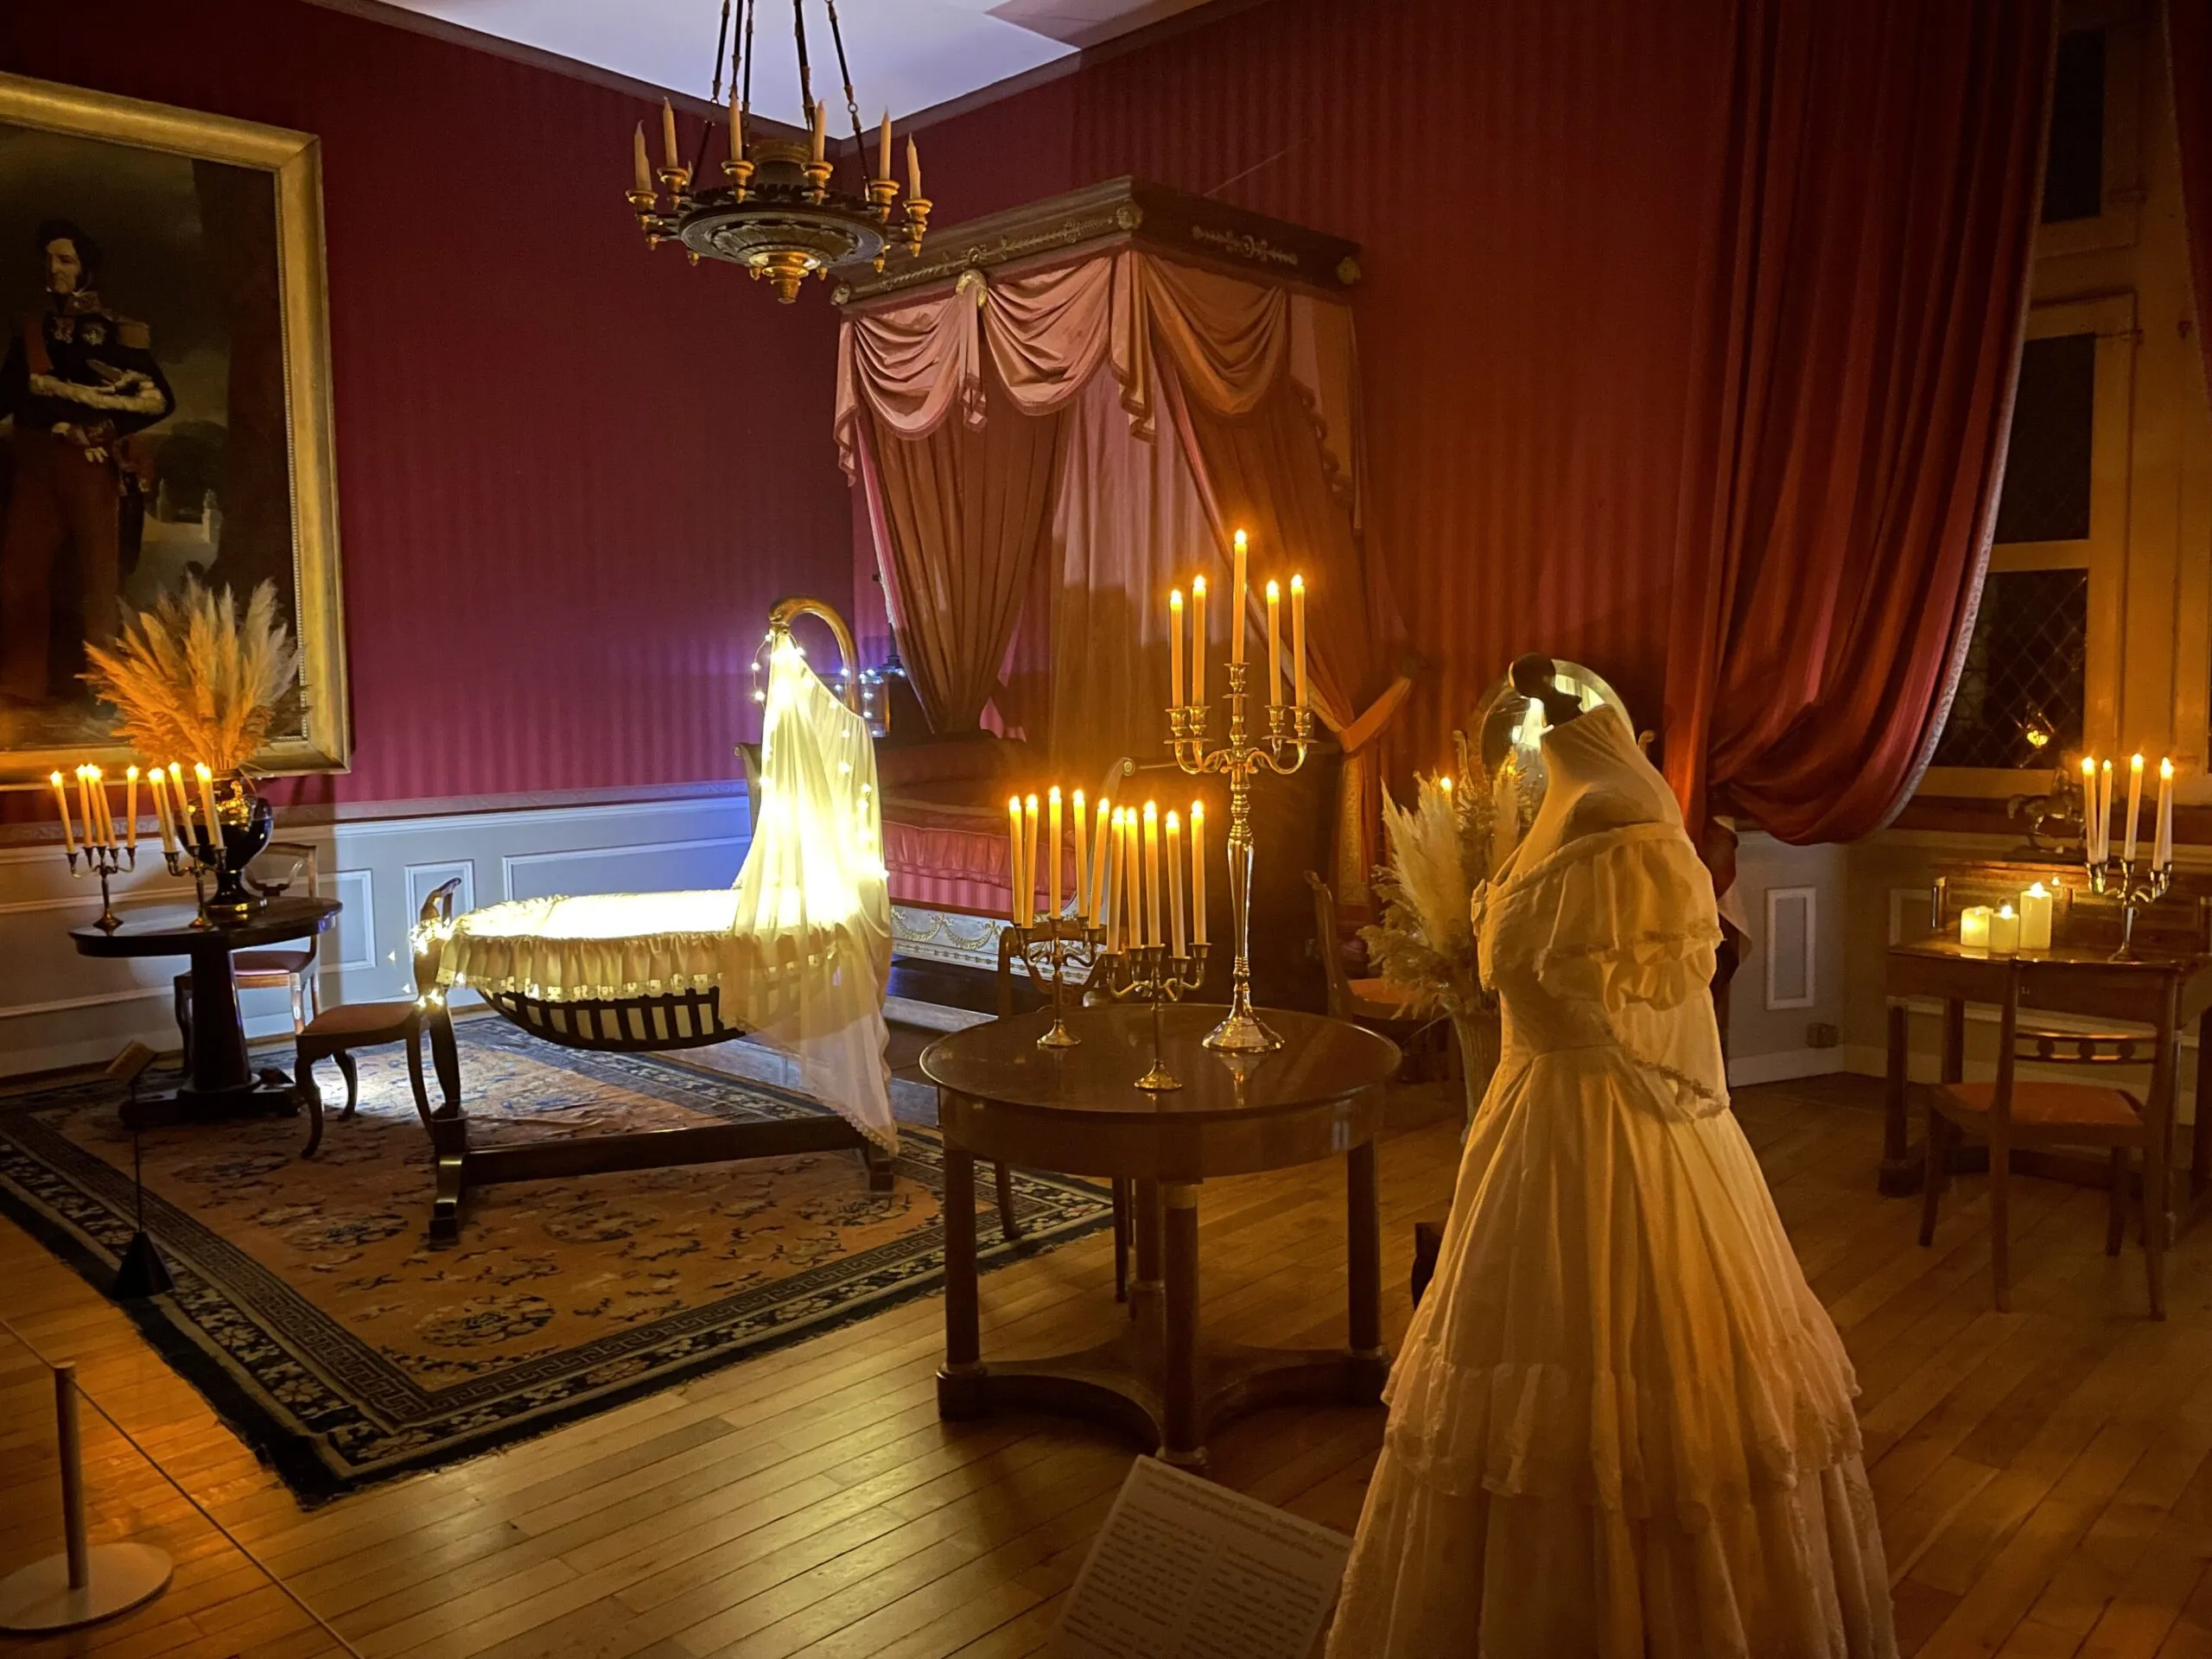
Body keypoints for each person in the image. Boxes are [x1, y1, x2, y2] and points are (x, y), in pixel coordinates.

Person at [1327, 698, 1896, 1657]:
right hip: (1526, 1127)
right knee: (1514, 1394)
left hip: (1614, 1130)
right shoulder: (1555, 806)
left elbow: (1661, 1024)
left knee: (1648, 1384)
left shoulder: (1624, 829)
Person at [0, 218, 174, 704]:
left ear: (86, 270)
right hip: (35, 466)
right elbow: (10, 392)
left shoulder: (118, 331)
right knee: (19, 575)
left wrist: (98, 430)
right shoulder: (30, 329)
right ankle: (19, 686)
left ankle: (106, 688)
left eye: (66, 259)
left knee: (100, 579)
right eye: (50, 259)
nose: (54, 268)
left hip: (89, 464)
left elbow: (160, 400)